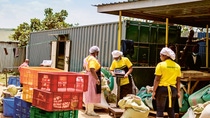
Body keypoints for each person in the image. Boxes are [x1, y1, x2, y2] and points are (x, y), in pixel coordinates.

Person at [152, 47, 181, 118]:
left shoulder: (160, 65)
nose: (160, 57)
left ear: (165, 56)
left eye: (161, 55)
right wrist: (178, 91)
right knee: (171, 110)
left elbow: (157, 79)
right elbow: (178, 81)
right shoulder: (177, 66)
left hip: (162, 90)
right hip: (173, 90)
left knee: (160, 110)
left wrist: (154, 91)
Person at [83, 46, 101, 116]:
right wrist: (97, 78)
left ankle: (87, 110)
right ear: (96, 52)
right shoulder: (92, 59)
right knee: (92, 93)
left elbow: (85, 67)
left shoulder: (87, 58)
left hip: (87, 75)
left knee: (87, 93)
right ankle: (90, 111)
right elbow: (92, 69)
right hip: (92, 77)